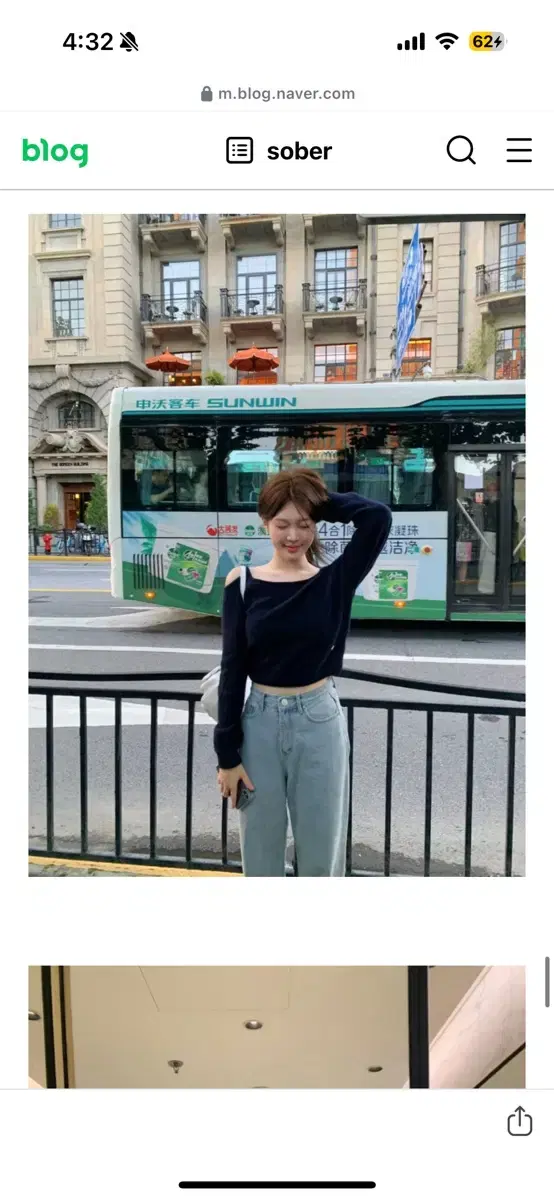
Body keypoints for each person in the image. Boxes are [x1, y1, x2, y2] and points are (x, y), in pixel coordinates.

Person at [214, 468, 392, 877]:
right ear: (265, 523)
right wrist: (227, 756)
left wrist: (315, 499)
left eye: (305, 524)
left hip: (318, 718)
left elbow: (377, 517)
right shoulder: (242, 582)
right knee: (260, 845)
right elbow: (232, 669)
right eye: (282, 524)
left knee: (321, 848)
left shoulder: (335, 580)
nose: (293, 535)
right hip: (258, 721)